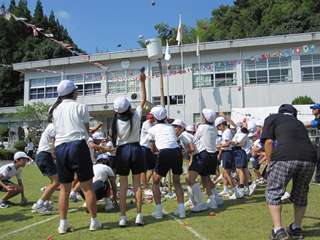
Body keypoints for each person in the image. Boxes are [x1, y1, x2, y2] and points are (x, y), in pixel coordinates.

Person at [49, 79, 102, 234]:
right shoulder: (80, 106)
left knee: (64, 190)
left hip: (60, 147)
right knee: (87, 187)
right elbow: (86, 131)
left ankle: (62, 225)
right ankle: (94, 221)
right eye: (76, 90)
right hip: (77, 145)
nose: (78, 92)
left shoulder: (54, 109)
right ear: (73, 92)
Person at [261, 104, 316, 240]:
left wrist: (269, 162)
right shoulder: (299, 123)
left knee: (274, 192)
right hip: (309, 158)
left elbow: (268, 142)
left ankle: (278, 230)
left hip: (285, 157)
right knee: (301, 193)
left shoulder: (272, 118)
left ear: (280, 112)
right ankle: (296, 228)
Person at [111, 68, 146, 227]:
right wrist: (142, 82)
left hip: (122, 151)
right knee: (137, 185)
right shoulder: (136, 115)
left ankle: (123, 217)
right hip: (136, 149)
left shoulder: (115, 121)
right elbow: (143, 101)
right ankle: (139, 215)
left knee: (123, 186)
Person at [148, 106, 185, 219]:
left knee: (155, 182)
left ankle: (158, 212)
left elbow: (151, 148)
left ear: (155, 117)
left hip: (164, 153)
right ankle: (181, 210)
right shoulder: (170, 128)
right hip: (177, 152)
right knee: (177, 182)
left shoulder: (152, 129)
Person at [32, 122, 59, 214]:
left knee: (53, 182)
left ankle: (45, 203)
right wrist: (54, 154)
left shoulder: (52, 126)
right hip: (45, 155)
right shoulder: (53, 126)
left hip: (44, 156)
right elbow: (53, 142)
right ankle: (39, 204)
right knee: (56, 182)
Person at [140, 113, 156, 199]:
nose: (151, 119)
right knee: (144, 169)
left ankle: (146, 185)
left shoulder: (153, 124)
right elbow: (153, 135)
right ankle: (145, 188)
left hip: (149, 148)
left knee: (153, 168)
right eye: (150, 118)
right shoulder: (146, 124)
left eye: (152, 118)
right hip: (144, 148)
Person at [306, 103, 320, 184]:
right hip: (317, 143)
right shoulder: (316, 118)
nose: (312, 110)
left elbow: (313, 124)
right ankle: (317, 179)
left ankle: (318, 179)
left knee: (318, 159)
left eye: (314, 109)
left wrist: (300, 125)